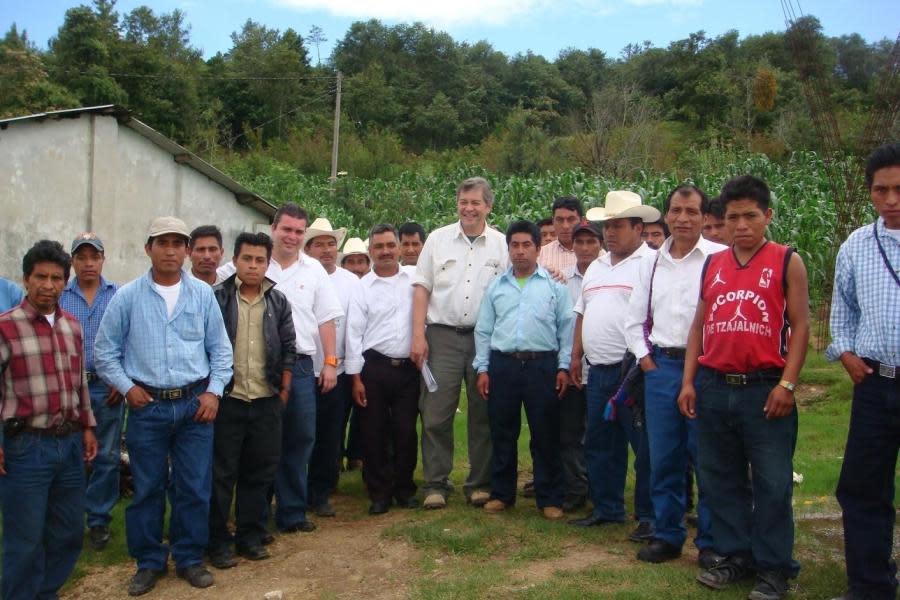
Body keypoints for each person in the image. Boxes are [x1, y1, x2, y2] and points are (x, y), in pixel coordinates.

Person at [678, 175, 809, 600]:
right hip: (715, 385)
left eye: (751, 215)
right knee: (720, 479)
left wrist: (787, 384)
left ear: (767, 216)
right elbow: (699, 325)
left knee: (772, 483)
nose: (741, 225)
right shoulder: (713, 265)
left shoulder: (786, 260)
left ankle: (775, 568)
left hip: (763, 388)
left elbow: (803, 326)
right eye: (732, 217)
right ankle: (736, 556)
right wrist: (689, 382)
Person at [95, 216, 233, 596]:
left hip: (194, 407)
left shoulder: (202, 296)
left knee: (193, 486)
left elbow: (221, 351)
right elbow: (103, 352)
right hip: (148, 408)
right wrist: (126, 387)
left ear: (187, 251)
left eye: (178, 243)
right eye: (162, 242)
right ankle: (149, 561)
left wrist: (214, 391)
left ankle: (189, 557)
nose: (170, 250)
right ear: (148, 248)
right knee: (148, 488)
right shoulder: (127, 297)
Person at [218, 203, 343, 535]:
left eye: (299, 231)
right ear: (273, 228)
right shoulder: (253, 261)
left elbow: (327, 319)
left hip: (300, 367)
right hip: (252, 367)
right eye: (287, 229)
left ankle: (291, 511)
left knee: (299, 440)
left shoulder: (314, 269)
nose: (292, 236)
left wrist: (330, 363)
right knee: (257, 445)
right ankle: (253, 515)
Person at [624, 186, 726, 566]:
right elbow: (633, 319)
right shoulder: (650, 263)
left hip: (708, 368)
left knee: (707, 455)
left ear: (703, 217)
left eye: (692, 211)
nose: (683, 218)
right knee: (664, 455)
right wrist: (646, 360)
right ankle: (667, 534)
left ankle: (712, 541)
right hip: (663, 367)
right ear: (665, 216)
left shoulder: (720, 258)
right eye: (676, 210)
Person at [0, 240, 98, 600]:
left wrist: (88, 427)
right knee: (24, 540)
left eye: (57, 278)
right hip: (26, 447)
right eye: (40, 277)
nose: (48, 285)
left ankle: (44, 592)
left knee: (69, 532)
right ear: (26, 279)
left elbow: (80, 384)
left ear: (64, 282)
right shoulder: (6, 328)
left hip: (69, 445)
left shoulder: (71, 327)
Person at [827, 142, 900, 600]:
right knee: (862, 487)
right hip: (876, 384)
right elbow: (842, 309)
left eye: (898, 189)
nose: (891, 199)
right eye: (881, 190)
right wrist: (847, 354)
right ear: (869, 193)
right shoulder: (858, 243)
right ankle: (870, 586)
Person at [411, 176, 508, 510]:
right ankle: (436, 484)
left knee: (482, 412)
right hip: (442, 336)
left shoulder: (501, 245)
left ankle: (480, 484)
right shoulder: (438, 240)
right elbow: (421, 287)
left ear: (488, 206)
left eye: (476, 203)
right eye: (464, 202)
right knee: (436, 411)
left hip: (485, 338)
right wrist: (418, 334)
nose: (469, 208)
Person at [568, 191, 657, 541]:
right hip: (599, 369)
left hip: (633, 371)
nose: (610, 233)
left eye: (618, 225)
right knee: (600, 443)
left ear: (638, 227)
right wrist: (576, 355)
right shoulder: (598, 266)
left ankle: (649, 516)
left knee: (644, 445)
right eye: (607, 226)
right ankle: (607, 508)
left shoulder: (651, 263)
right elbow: (582, 312)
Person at [474, 220, 574, 520]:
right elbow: (484, 330)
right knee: (502, 430)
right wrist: (483, 368)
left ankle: (549, 497)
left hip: (542, 364)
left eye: (526, 245)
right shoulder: (496, 288)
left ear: (537, 248)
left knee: (545, 433)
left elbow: (566, 329)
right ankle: (502, 493)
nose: (520, 252)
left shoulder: (555, 288)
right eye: (514, 246)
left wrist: (564, 366)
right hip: (503, 364)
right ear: (508, 249)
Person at [208, 232, 296, 569]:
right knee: (222, 475)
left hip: (266, 399)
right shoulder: (217, 299)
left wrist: (284, 390)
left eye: (261, 260)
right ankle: (217, 541)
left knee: (259, 473)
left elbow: (289, 347)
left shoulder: (278, 301)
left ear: (267, 263)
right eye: (248, 259)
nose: (254, 266)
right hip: (228, 399)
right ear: (236, 260)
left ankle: (250, 535)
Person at [345, 224, 420, 515]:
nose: (386, 251)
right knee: (372, 432)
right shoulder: (362, 288)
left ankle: (404, 489)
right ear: (370, 251)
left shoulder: (414, 279)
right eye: (379, 247)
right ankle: (379, 493)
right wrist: (355, 378)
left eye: (391, 245)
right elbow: (353, 334)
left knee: (405, 430)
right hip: (373, 368)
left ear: (400, 248)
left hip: (407, 368)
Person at [59, 232, 121, 552]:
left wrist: (121, 381)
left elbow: (130, 339)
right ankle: (68, 521)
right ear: (73, 262)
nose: (88, 263)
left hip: (105, 386)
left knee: (107, 456)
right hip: (69, 388)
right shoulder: (61, 296)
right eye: (81, 257)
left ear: (102, 260)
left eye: (93, 257)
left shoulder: (117, 295)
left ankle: (98, 519)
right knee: (71, 455)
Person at [303, 218, 359, 518]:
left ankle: (321, 492)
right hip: (301, 370)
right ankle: (294, 492)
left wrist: (349, 369)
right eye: (319, 244)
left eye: (330, 244)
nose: (326, 250)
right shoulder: (300, 276)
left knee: (330, 435)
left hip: (336, 371)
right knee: (298, 436)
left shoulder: (350, 282)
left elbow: (353, 329)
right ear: (308, 248)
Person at [557, 220, 603, 512]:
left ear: (601, 244)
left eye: (591, 242)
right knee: (569, 433)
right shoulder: (561, 281)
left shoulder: (606, 275)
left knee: (599, 434)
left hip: (600, 367)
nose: (585, 248)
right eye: (580, 242)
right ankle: (576, 488)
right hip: (571, 369)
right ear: (572, 246)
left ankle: (600, 490)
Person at [538, 196, 583, 273]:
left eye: (571, 219)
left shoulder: (597, 253)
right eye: (560, 220)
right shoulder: (540, 255)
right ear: (553, 221)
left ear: (582, 221)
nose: (565, 226)